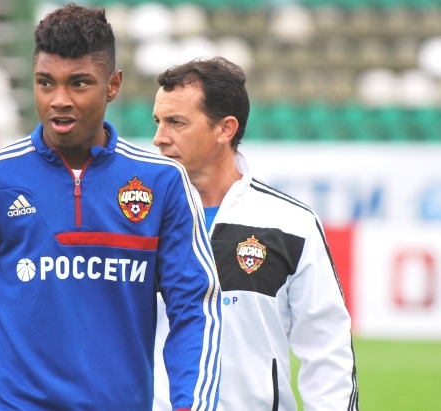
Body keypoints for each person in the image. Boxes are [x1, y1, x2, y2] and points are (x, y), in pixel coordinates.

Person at [0, 4, 221, 411]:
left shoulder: (162, 182)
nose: (59, 100)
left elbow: (195, 309)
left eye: (79, 83)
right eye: (45, 83)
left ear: (113, 85)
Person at [151, 57, 359, 411]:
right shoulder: (136, 223)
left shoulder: (290, 224)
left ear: (225, 129)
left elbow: (327, 350)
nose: (159, 138)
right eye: (158, 121)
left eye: (176, 123)